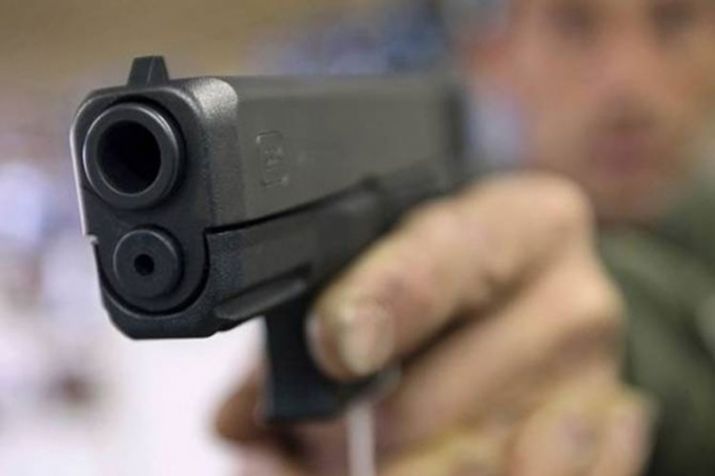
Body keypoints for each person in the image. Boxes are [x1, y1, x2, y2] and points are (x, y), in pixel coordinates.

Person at [216, 0, 715, 474]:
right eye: (573, 25)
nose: (629, 84)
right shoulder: (433, 236)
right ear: (494, 53)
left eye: (674, 21)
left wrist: (617, 352)